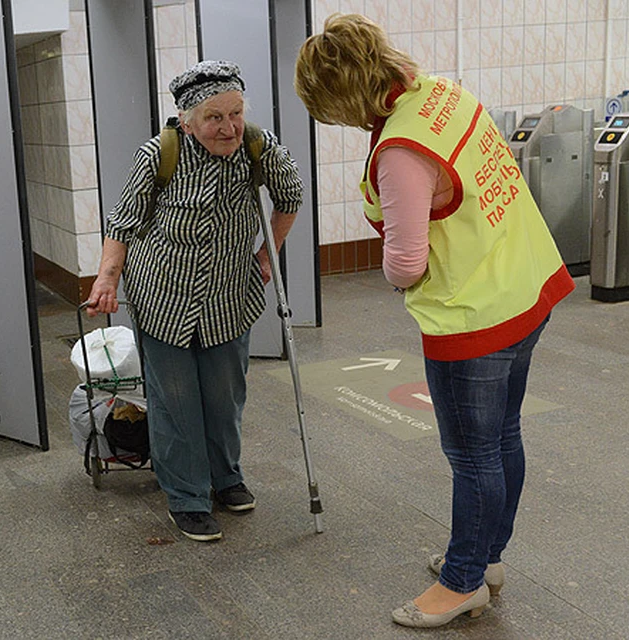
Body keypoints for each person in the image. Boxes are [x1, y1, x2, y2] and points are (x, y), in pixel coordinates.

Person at [294, 14, 575, 628]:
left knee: (473, 455)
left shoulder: (399, 149)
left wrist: (399, 277)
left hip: (472, 319)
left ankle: (463, 583)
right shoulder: (444, 94)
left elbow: (404, 263)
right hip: (526, 286)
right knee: (503, 437)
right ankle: (486, 558)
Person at [85, 60, 304, 542]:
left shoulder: (256, 146)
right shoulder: (158, 155)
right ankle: (186, 495)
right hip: (163, 295)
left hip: (229, 295)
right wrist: (106, 280)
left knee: (225, 397)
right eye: (213, 118)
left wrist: (269, 254)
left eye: (235, 113)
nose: (228, 127)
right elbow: (122, 223)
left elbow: (291, 195)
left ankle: (225, 478)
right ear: (186, 120)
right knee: (175, 401)